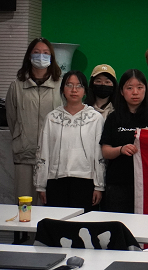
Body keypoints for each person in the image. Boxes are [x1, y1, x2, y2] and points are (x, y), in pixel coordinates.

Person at [34, 70, 105, 211]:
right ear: (62, 89)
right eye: (69, 85)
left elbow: (99, 154)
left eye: (79, 86)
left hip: (86, 182)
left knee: (83, 223)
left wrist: (99, 185)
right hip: (56, 181)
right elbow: (43, 151)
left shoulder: (95, 118)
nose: (74, 90)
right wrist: (41, 185)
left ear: (85, 91)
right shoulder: (52, 118)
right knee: (57, 223)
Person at [6, 37, 63, 202]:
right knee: (24, 204)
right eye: (36, 52)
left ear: (51, 57)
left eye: (45, 53)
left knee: (50, 205)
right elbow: (12, 119)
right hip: (25, 154)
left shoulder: (61, 85)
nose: (41, 56)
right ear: (29, 56)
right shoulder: (16, 86)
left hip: (53, 156)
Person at [100, 69, 148, 213]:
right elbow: (105, 151)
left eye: (140, 87)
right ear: (121, 92)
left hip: (147, 183)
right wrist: (121, 149)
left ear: (145, 90)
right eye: (129, 88)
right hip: (118, 183)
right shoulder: (113, 118)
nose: (135, 92)